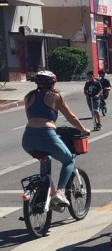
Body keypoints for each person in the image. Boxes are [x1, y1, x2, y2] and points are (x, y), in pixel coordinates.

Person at [22, 70, 90, 207]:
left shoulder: (28, 96)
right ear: (52, 83)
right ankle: (60, 191)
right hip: (47, 134)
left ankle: (48, 191)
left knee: (44, 158)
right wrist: (83, 129)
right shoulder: (55, 96)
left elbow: (34, 117)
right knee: (69, 160)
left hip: (28, 138)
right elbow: (70, 117)